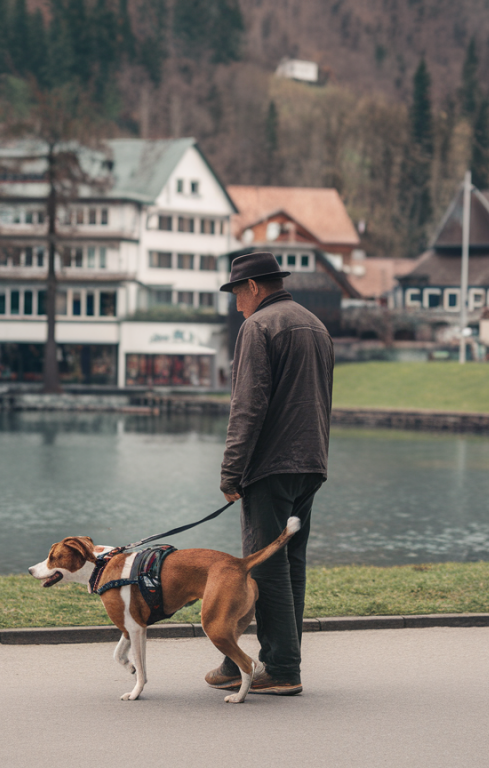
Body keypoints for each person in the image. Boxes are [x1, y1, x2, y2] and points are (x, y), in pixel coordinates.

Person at [206, 251, 334, 696]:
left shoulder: (258, 326)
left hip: (272, 465)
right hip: (310, 462)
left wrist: (231, 472)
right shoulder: (315, 325)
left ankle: (279, 667)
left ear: (253, 286)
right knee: (289, 563)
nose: (236, 303)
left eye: (236, 293)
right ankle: (245, 663)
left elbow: (247, 406)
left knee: (264, 567)